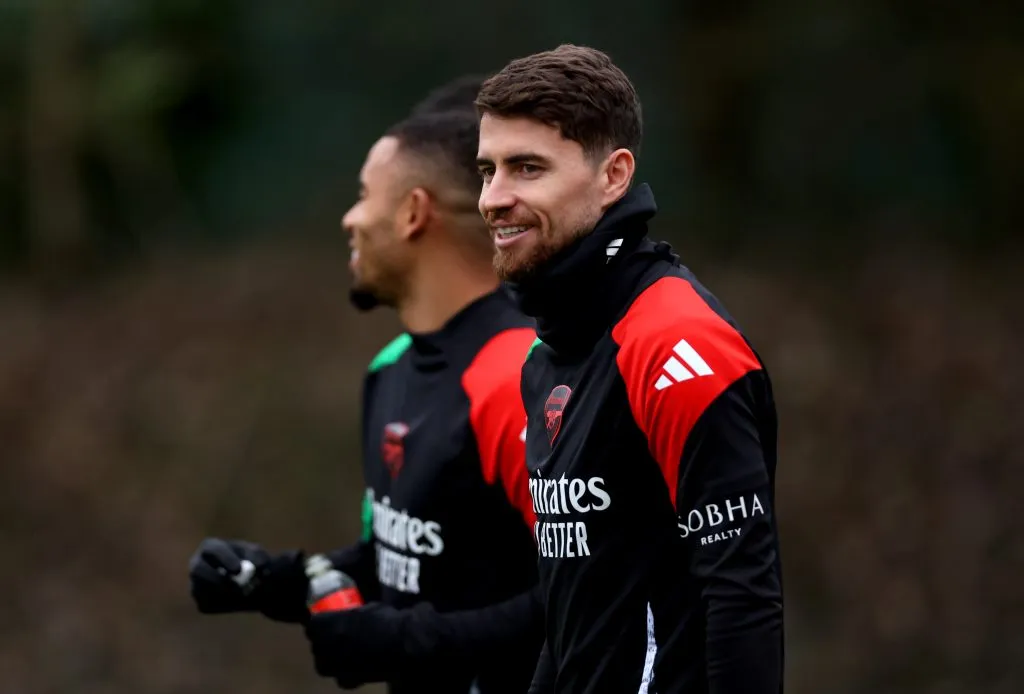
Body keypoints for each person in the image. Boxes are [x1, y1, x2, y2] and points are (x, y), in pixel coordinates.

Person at [188, 77, 544, 694]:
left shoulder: (521, 378)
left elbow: (594, 598)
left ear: (413, 213)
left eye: (362, 195)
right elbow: (401, 563)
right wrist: (279, 580)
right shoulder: (390, 369)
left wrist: (409, 643)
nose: (350, 218)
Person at [474, 45, 785, 694]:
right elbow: (577, 614)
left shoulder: (678, 347)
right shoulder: (548, 355)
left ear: (614, 176)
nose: (493, 199)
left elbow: (743, 600)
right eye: (487, 171)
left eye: (527, 168)